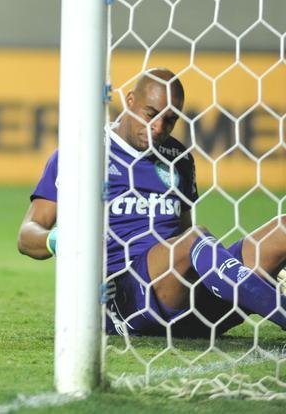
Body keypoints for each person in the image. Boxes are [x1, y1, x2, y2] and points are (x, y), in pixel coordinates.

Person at [18, 68, 286, 337]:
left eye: (170, 120)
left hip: (185, 301)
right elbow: (27, 234)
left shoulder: (179, 158)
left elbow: (182, 236)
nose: (158, 128)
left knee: (282, 231)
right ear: (130, 100)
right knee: (194, 240)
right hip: (126, 302)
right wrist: (58, 240)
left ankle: (245, 294)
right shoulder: (83, 152)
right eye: (151, 114)